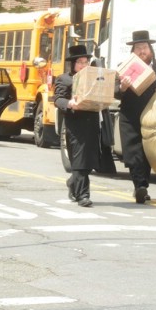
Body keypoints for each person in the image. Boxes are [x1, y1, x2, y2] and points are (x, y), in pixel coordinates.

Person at [115, 30, 156, 204]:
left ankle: (142, 185)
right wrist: (122, 87)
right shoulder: (124, 67)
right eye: (138, 48)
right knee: (133, 152)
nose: (141, 51)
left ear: (150, 49)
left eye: (144, 47)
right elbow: (115, 92)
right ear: (133, 51)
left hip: (153, 116)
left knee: (148, 151)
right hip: (131, 116)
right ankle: (140, 186)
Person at [54, 45, 100, 207]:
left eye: (86, 62)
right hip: (75, 125)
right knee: (80, 161)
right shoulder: (64, 79)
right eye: (80, 62)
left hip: (92, 123)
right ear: (73, 64)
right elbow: (58, 99)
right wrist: (69, 103)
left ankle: (72, 182)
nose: (83, 65)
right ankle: (83, 195)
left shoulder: (95, 78)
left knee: (89, 161)